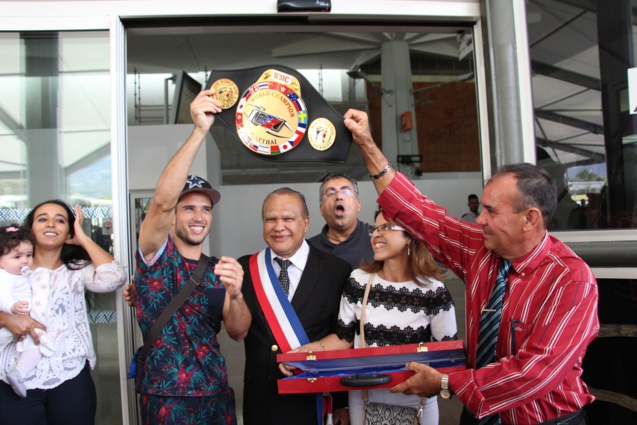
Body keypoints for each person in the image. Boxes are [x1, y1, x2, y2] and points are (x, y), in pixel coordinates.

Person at [343, 109, 599, 425]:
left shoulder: (571, 280)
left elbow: (536, 372)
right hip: (477, 414)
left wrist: (447, 383)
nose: (479, 219)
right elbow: (421, 214)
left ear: (529, 218)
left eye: (491, 211)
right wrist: (367, 143)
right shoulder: (480, 247)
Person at [132, 90, 250, 425]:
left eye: (205, 209)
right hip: (165, 397)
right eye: (188, 207)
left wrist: (238, 295)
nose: (198, 216)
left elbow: (238, 331)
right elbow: (161, 201)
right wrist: (199, 130)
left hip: (215, 392)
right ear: (173, 216)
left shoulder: (217, 269)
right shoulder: (154, 256)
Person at [282, 212, 457, 425]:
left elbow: (447, 354)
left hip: (416, 398)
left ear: (411, 236)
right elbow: (343, 338)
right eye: (375, 229)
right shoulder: (358, 280)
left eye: (387, 227)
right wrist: (304, 353)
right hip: (364, 394)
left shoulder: (434, 291)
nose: (376, 235)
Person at [0, 200, 127, 424]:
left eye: (60, 220)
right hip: (12, 376)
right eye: (42, 219)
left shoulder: (77, 270)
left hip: (69, 376)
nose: (51, 224)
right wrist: (6, 319)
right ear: (30, 229)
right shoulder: (9, 269)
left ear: (68, 230)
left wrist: (83, 238)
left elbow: (114, 278)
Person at [238, 187, 352, 425]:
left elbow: (345, 337)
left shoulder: (336, 271)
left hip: (312, 400)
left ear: (306, 222)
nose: (279, 227)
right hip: (260, 402)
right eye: (271, 219)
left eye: (288, 218)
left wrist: (342, 403)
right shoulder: (245, 269)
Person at [0, 225, 54, 399]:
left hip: (19, 325)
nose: (25, 261)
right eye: (17, 256)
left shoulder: (20, 275)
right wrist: (12, 306)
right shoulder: (4, 276)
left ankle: (18, 373)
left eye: (28, 255)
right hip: (8, 323)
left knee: (36, 344)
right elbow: (2, 296)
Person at [308, 173, 375, 268]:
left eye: (346, 192)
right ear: (321, 209)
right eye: (331, 194)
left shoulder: (377, 238)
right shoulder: (308, 248)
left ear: (358, 205)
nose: (339, 196)